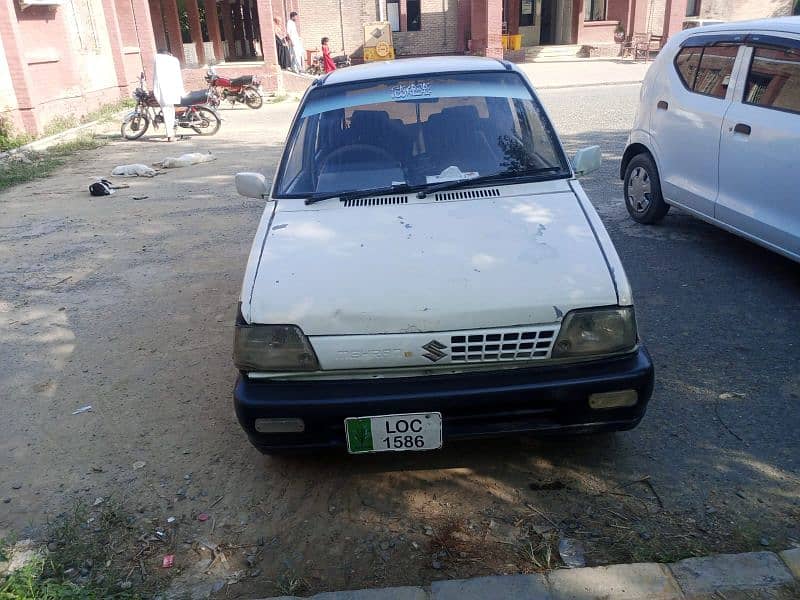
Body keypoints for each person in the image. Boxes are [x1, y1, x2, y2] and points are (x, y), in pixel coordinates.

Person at [152, 49, 185, 142]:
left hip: (161, 92)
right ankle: (171, 134)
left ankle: (170, 135)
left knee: (168, 113)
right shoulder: (173, 60)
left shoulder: (157, 59)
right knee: (169, 112)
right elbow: (178, 76)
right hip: (171, 90)